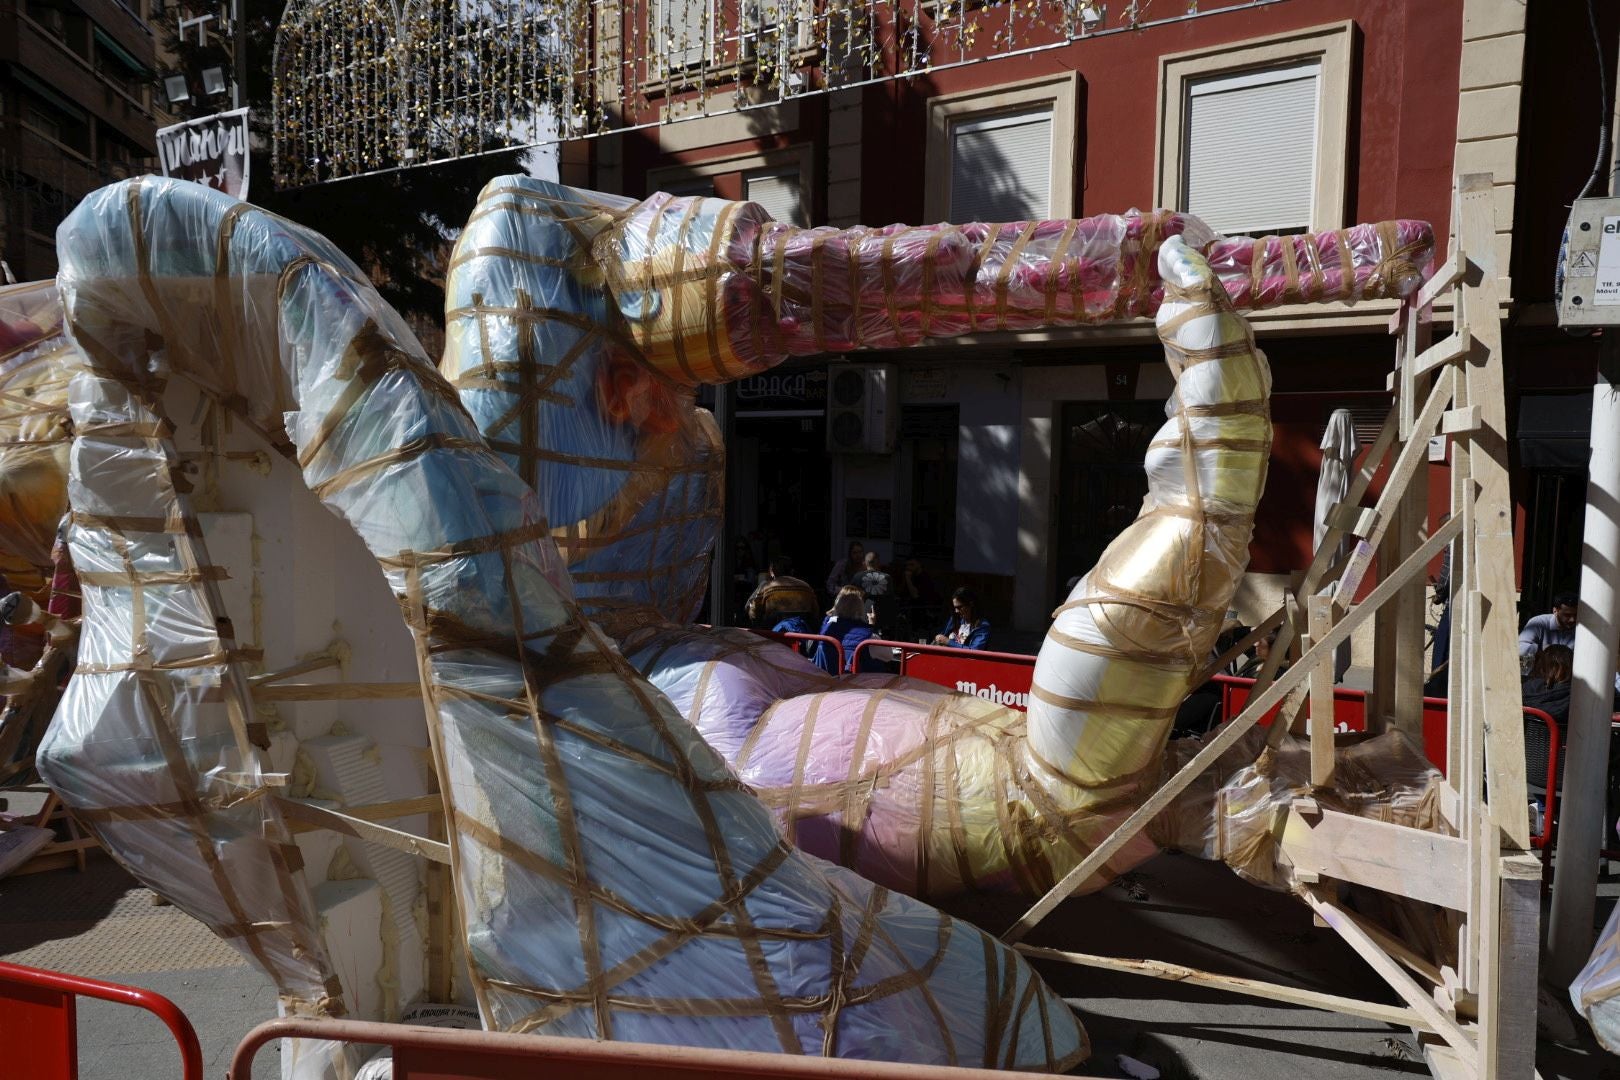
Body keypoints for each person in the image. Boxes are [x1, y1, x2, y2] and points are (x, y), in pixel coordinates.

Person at [746, 556, 819, 637]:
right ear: (792, 571)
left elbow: (753, 613)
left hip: (774, 635)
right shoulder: (806, 587)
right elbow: (815, 612)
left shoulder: (767, 587)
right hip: (803, 634)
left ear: (772, 572)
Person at [814, 586, 877, 674]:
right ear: (860, 606)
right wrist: (871, 626)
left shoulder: (827, 627)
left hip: (825, 680)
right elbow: (888, 656)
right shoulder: (867, 635)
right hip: (854, 683)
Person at [1521, 644, 1573, 725]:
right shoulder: (1575, 699)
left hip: (1527, 736)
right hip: (1561, 737)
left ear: (1541, 665)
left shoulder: (1523, 690)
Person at [1519, 593, 1578, 658]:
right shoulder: (1538, 623)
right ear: (1555, 611)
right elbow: (1520, 648)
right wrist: (1546, 650)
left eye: (1576, 615)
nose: (1572, 620)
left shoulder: (1581, 628)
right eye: (1567, 615)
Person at [853, 551, 895, 633]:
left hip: (862, 616)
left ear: (865, 563)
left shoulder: (857, 577)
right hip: (882, 617)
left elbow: (852, 597)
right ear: (878, 562)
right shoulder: (887, 577)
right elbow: (891, 599)